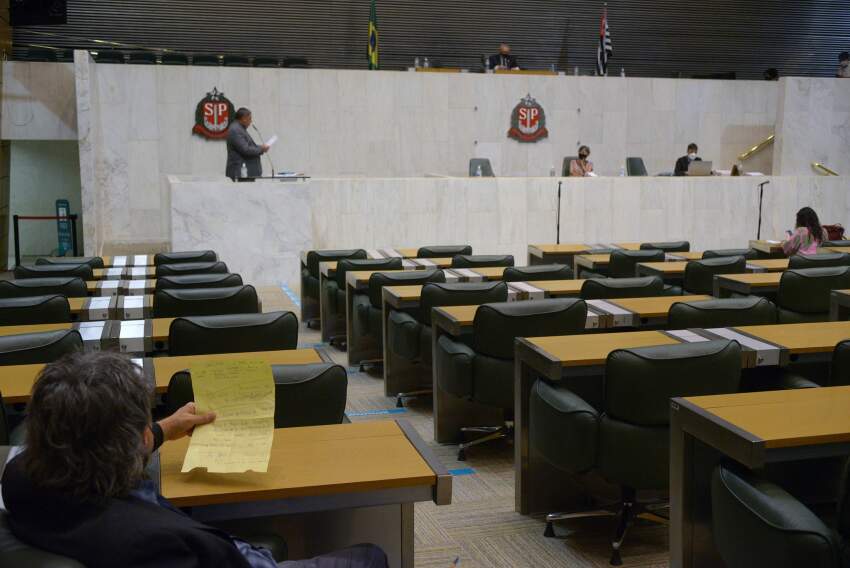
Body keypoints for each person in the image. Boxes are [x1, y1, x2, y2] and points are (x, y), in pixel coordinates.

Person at [1, 352, 388, 568]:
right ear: (135, 442)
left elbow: (87, 445)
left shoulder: (21, 477)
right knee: (371, 556)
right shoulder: (159, 545)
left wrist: (163, 429)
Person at [226, 107, 269, 180]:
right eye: (249, 119)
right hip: (241, 172)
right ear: (243, 118)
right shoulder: (235, 130)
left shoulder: (240, 128)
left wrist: (260, 147)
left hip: (246, 173)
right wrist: (261, 149)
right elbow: (245, 150)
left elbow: (247, 146)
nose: (251, 121)